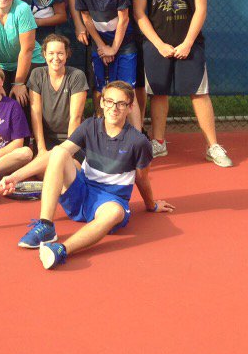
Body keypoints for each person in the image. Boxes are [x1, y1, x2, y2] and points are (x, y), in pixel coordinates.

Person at [11, 81, 174, 269]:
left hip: (109, 200)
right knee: (59, 152)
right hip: (81, 191)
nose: (114, 108)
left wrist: (151, 205)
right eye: (110, 101)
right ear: (102, 103)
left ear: (130, 107)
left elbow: (142, 177)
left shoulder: (138, 142)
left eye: (121, 104)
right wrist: (15, 177)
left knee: (115, 212)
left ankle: (61, 250)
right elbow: (54, 155)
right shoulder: (90, 126)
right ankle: (46, 226)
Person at [131, 0, 233, 167]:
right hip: (157, 45)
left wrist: (187, 42)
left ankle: (212, 146)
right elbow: (140, 14)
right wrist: (158, 44)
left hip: (191, 44)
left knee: (199, 94)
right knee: (158, 94)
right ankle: (159, 143)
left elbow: (201, 9)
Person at [74, 0, 140, 126]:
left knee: (128, 90)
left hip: (124, 44)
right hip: (100, 43)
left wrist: (114, 48)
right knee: (101, 89)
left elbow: (124, 19)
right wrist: (102, 46)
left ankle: (137, 138)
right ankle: (101, 132)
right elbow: (86, 19)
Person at [27, 35, 89, 155]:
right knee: (42, 172)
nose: (56, 58)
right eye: (51, 53)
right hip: (46, 140)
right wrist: (41, 150)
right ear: (44, 54)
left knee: (61, 168)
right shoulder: (37, 74)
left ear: (67, 54)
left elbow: (75, 118)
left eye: (60, 53)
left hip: (72, 139)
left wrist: (67, 151)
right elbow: (36, 114)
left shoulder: (77, 76)